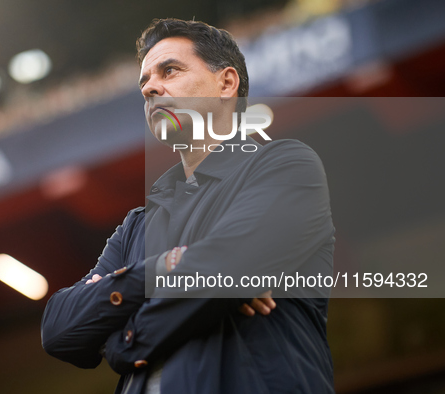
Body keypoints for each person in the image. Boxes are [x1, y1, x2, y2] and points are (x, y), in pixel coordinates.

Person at [42, 18, 335, 394]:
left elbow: (223, 269)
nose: (150, 88)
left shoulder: (287, 165)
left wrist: (120, 341)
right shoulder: (136, 227)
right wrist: (168, 266)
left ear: (226, 83)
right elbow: (58, 330)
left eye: (170, 70)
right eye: (144, 82)